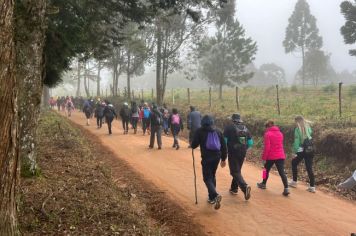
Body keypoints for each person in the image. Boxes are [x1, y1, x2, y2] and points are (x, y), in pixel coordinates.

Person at [191, 115, 227, 210]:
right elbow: (224, 146)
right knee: (212, 175)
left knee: (207, 178)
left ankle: (215, 195)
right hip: (217, 157)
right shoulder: (218, 131)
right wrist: (223, 158)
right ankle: (211, 197)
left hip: (207, 157)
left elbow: (194, 145)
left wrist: (192, 143)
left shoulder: (200, 131)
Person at [223, 114, 252, 200]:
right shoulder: (245, 128)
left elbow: (224, 141)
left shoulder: (228, 128)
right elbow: (250, 143)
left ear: (232, 120)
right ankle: (234, 188)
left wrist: (223, 153)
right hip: (242, 152)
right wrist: (244, 149)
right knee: (237, 170)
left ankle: (244, 187)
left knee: (234, 172)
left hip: (233, 152)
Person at [257, 120, 290, 196]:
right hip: (280, 155)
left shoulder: (267, 134)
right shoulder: (280, 133)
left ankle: (263, 183)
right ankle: (286, 188)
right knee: (282, 172)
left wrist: (264, 157)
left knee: (265, 170)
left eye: (266, 127)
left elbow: (267, 147)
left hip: (271, 156)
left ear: (268, 126)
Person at [288, 115, 316, 193]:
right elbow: (310, 135)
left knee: (294, 163)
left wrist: (294, 152)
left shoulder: (297, 129)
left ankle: (294, 182)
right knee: (309, 167)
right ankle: (312, 186)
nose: (295, 124)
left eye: (295, 122)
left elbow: (297, 142)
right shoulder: (308, 127)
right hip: (310, 148)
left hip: (301, 149)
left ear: (297, 121)